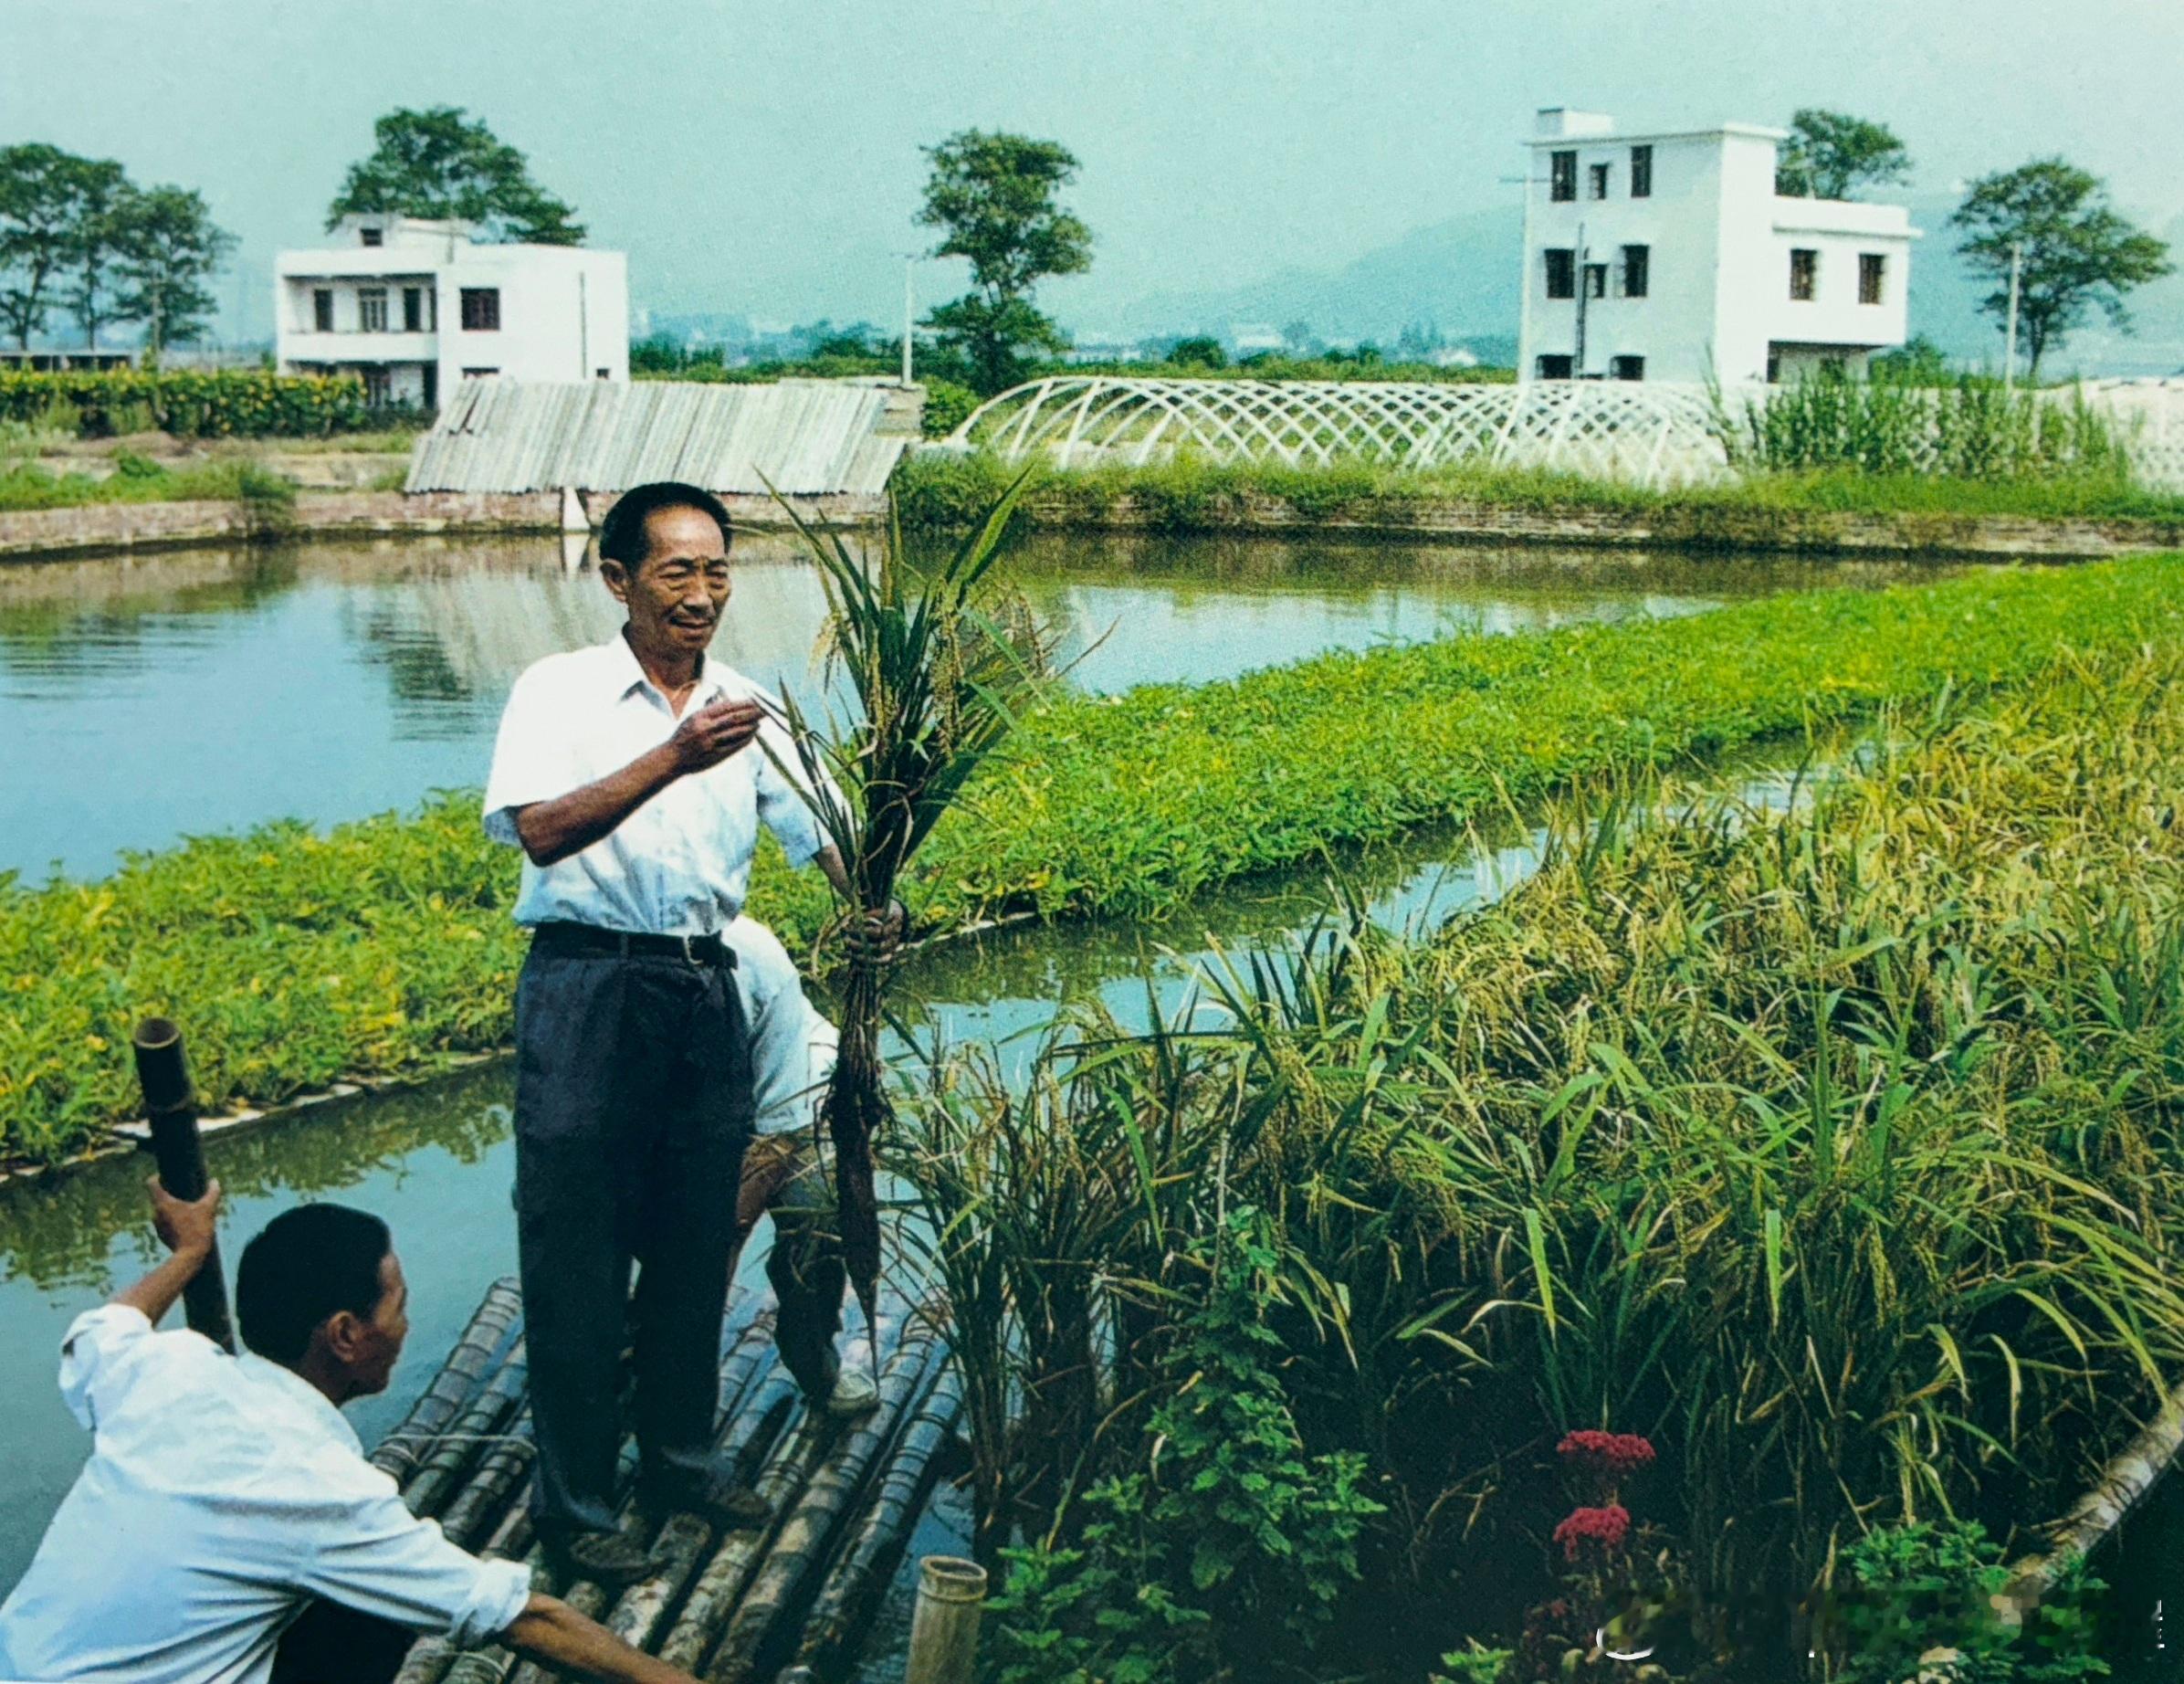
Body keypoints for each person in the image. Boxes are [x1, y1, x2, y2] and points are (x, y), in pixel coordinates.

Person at [481, 481, 898, 1586]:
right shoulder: (559, 691)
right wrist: (672, 753)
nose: (702, 594)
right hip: (587, 987)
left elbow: (823, 839)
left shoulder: (745, 702)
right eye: (676, 571)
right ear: (616, 577)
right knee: (572, 1255)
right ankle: (574, 1504)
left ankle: (680, 1460)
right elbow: (538, 829)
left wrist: (873, 899)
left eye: (717, 570)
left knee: (685, 1248)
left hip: (702, 989)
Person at [0, 1180, 704, 1684]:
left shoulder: (170, 1368)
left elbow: (101, 1328)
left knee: (348, 1606)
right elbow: (524, 1618)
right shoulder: (317, 1487)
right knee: (378, 1614)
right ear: (344, 1335)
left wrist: (188, 1253)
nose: (403, 1326)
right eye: (395, 1305)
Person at [726, 918, 874, 1418]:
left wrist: (724, 1242)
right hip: (700, 1111)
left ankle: (818, 1368)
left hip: (796, 1102)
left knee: (817, 1229)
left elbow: (778, 1136)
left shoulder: (749, 959)